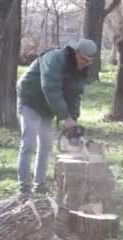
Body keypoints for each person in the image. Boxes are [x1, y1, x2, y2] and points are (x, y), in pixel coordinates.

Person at [16, 38, 97, 195]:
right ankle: (24, 188)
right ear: (75, 53)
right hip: (30, 99)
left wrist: (73, 119)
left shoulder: (80, 69)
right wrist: (65, 117)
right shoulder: (55, 59)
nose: (85, 64)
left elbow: (75, 95)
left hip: (47, 106)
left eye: (89, 62)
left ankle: (39, 185)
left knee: (45, 145)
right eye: (83, 60)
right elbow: (50, 88)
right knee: (29, 143)